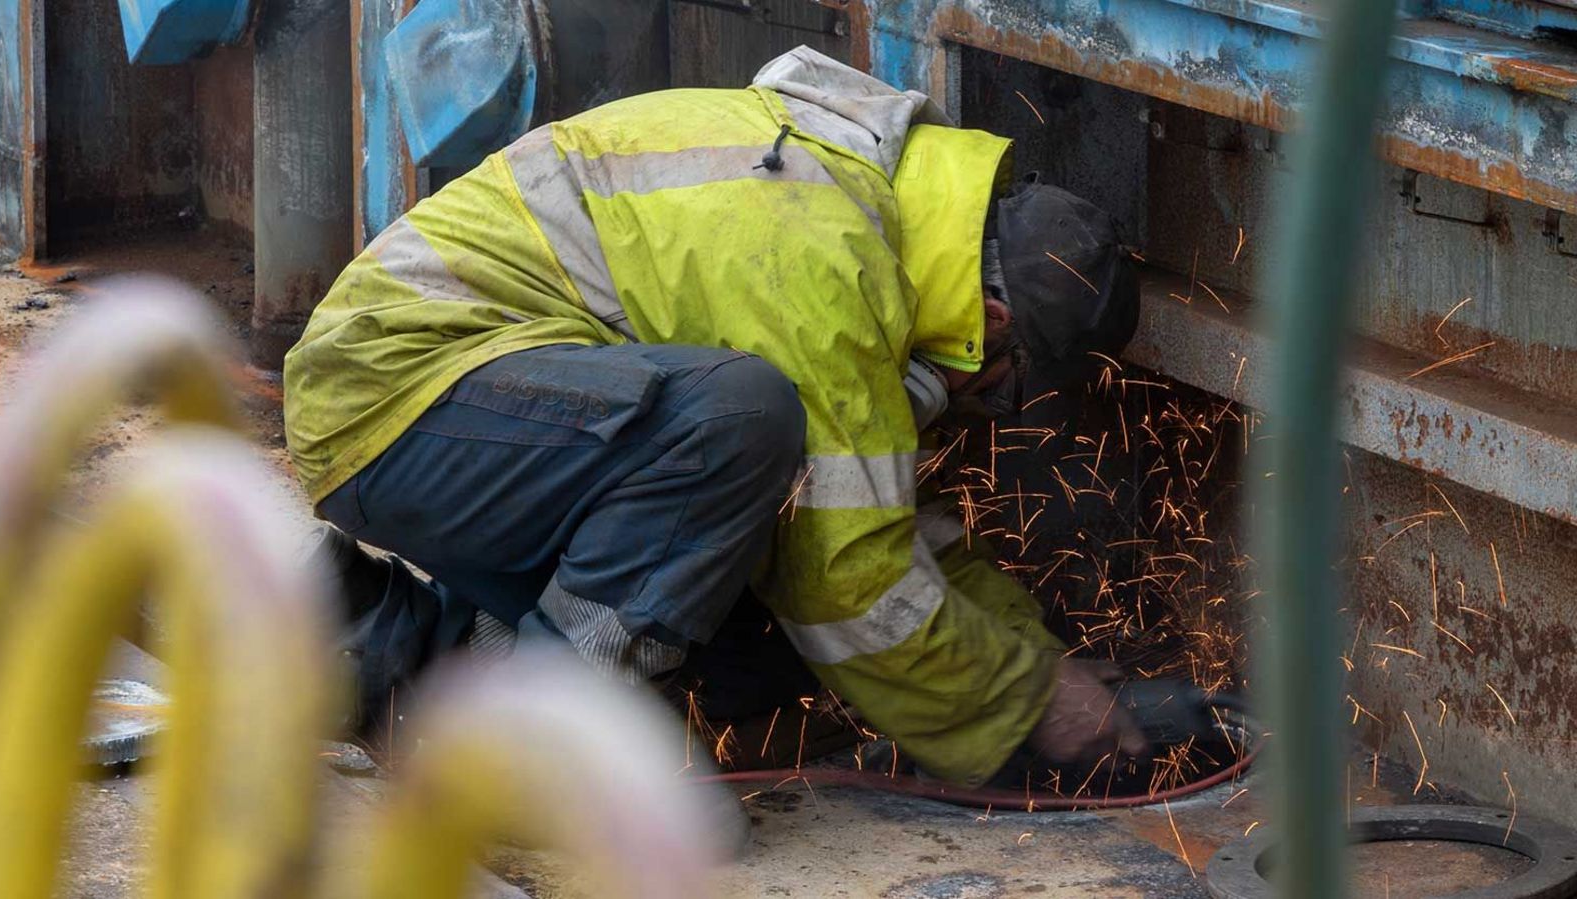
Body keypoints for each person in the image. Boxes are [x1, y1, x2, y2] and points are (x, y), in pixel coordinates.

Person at [282, 47, 1144, 787]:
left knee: (753, 639)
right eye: (998, 381)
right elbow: (849, 587)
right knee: (741, 421)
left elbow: (866, 521)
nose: (981, 396)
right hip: (399, 387)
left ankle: (379, 638)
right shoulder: (827, 257)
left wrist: (1037, 655)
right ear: (994, 324)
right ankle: (539, 746)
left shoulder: (867, 205)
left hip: (472, 406)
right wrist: (1031, 701)